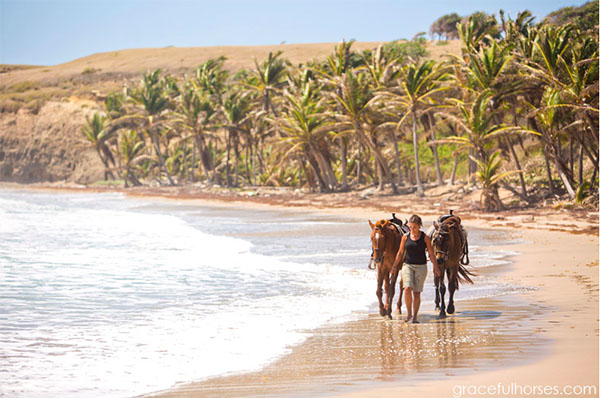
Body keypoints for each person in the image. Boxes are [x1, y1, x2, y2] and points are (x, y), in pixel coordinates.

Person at [392, 214, 440, 323]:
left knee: (417, 293)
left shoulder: (425, 237)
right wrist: (395, 266)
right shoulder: (405, 237)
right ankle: (409, 314)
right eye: (410, 227)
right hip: (407, 265)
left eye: (414, 227)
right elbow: (400, 253)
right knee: (407, 288)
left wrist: (436, 267)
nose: (412, 229)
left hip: (421, 267)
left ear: (419, 226)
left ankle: (414, 316)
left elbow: (431, 254)